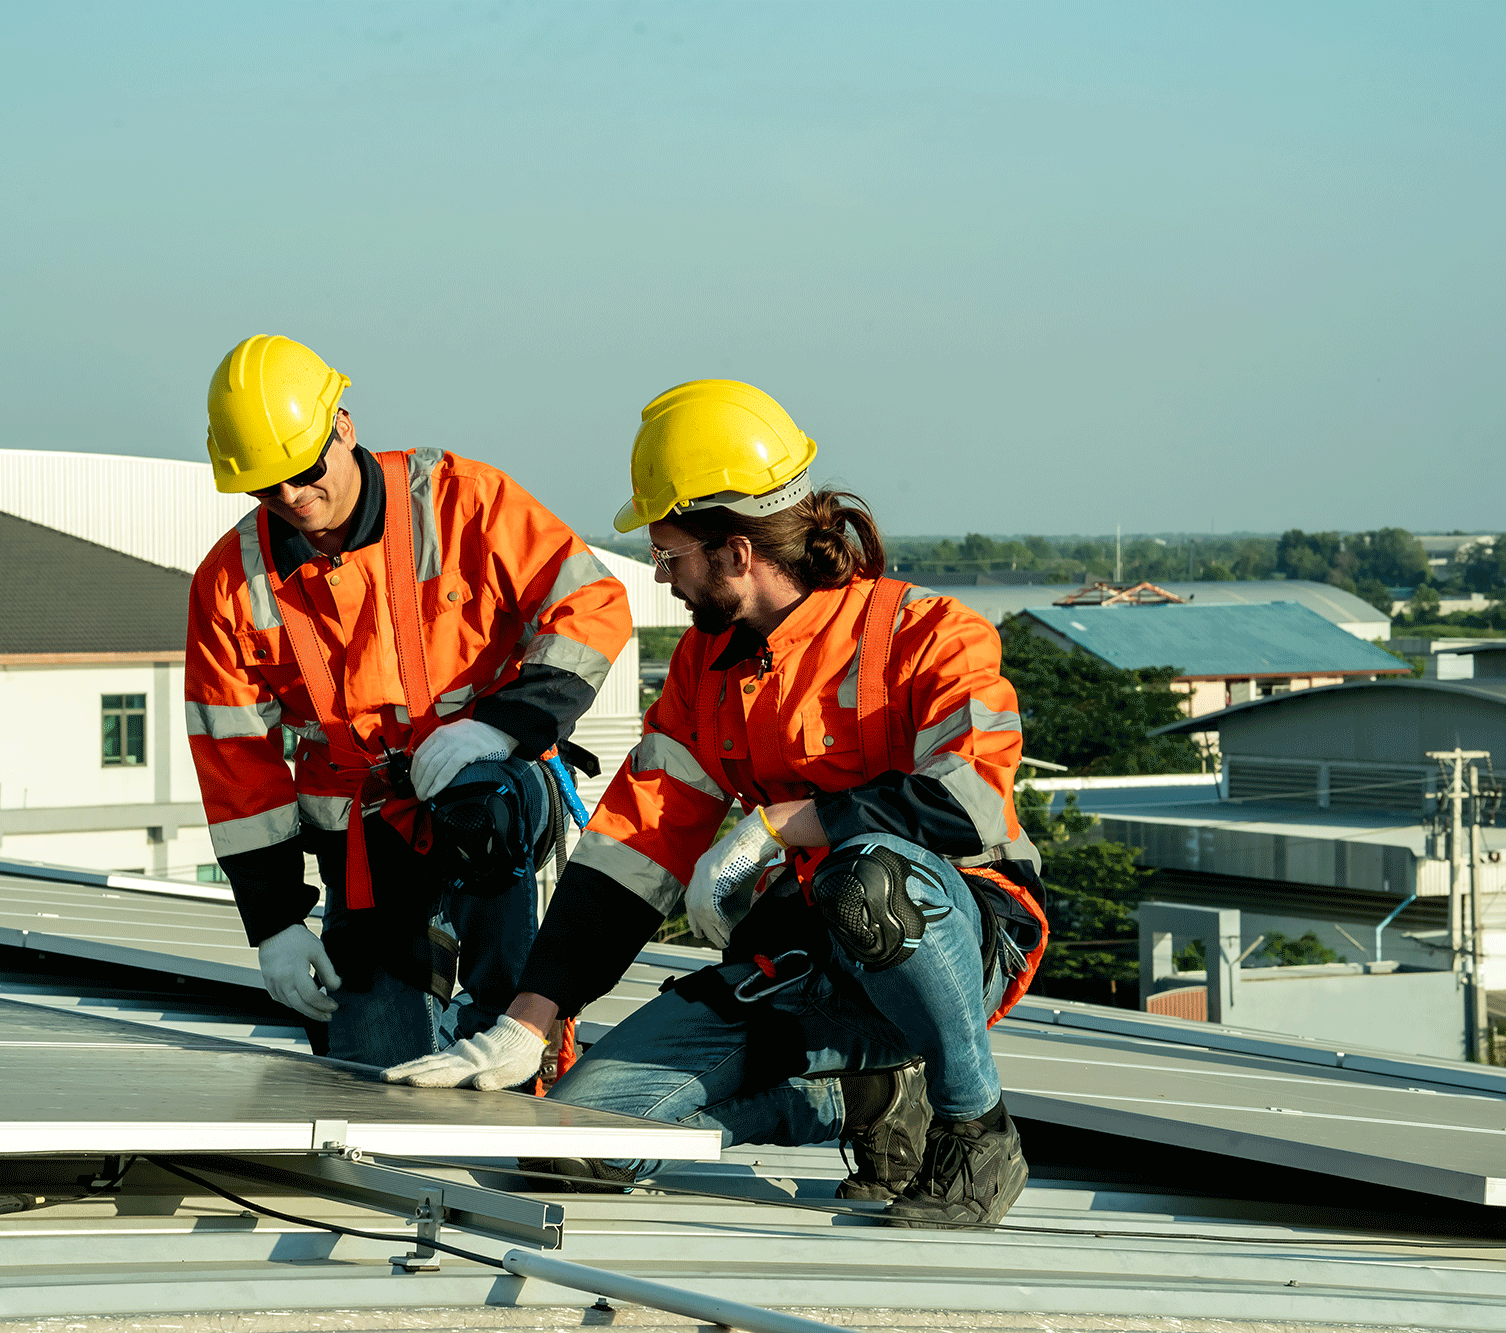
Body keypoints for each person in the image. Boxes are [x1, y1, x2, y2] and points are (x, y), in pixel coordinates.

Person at [383, 379, 1047, 1229]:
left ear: (735, 551)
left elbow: (971, 803)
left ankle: (973, 1125)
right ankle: (861, 1103)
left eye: (670, 557)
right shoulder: (709, 667)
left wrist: (790, 820)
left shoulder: (931, 635)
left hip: (944, 942)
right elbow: (636, 846)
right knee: (570, 1150)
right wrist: (528, 1020)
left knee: (867, 880)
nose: (663, 580)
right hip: (808, 963)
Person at [186, 335, 632, 1069]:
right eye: (268, 487)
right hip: (362, 844)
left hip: (487, 816)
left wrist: (501, 724)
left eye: (304, 471)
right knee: (371, 1074)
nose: (293, 498)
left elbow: (591, 603)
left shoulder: (462, 502)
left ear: (345, 427)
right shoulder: (231, 583)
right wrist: (273, 921)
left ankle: (519, 1042)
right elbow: (234, 759)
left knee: (505, 1032)